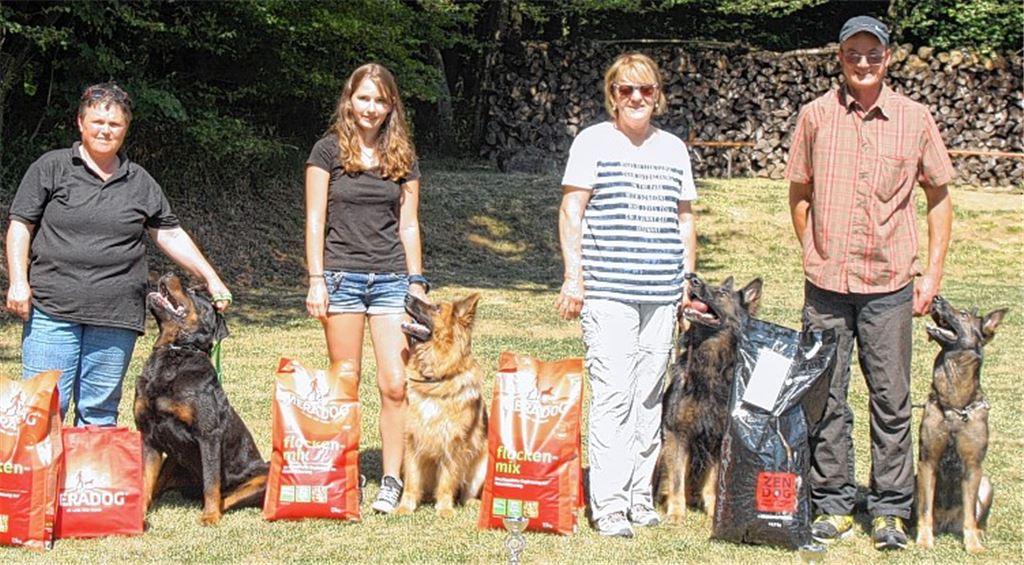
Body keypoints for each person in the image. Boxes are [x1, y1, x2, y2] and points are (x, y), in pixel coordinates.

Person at [786, 16, 954, 551]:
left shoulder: (914, 119)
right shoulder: (814, 117)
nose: (863, 63)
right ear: (840, 58)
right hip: (827, 284)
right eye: (853, 54)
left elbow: (940, 198)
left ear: (888, 58)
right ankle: (833, 502)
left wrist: (933, 272)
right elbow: (799, 191)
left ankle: (889, 510)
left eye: (872, 54)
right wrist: (812, 247)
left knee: (891, 399)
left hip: (889, 284)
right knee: (826, 397)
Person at [6, 82, 232, 427]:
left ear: (125, 130)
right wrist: (18, 282)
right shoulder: (50, 167)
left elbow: (169, 232)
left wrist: (210, 277)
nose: (105, 130)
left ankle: (91, 484)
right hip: (52, 309)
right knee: (42, 411)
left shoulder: (139, 181)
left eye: (114, 125)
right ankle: (37, 483)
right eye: (97, 121)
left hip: (115, 316)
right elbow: (21, 225)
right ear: (80, 122)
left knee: (98, 413)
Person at [556, 52, 697, 538]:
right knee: (614, 395)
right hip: (608, 291)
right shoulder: (592, 142)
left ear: (658, 96)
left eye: (646, 90)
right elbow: (572, 209)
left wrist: (687, 283)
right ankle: (609, 502)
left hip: (661, 292)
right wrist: (574, 276)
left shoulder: (674, 149)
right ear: (611, 95)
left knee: (648, 397)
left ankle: (639, 495)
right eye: (625, 90)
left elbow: (684, 219)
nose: (636, 98)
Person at [304, 63, 427, 514]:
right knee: (346, 382)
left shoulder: (404, 157)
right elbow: (316, 219)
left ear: (391, 104)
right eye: (363, 98)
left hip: (393, 280)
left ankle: (392, 478)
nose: (370, 108)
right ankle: (347, 473)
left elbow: (409, 225)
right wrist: (316, 279)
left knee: (395, 384)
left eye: (379, 100)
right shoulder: (326, 151)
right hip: (341, 279)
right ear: (349, 100)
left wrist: (417, 283)